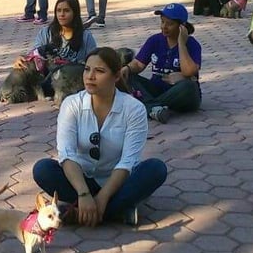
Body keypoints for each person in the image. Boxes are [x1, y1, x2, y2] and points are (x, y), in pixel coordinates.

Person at [32, 47, 167, 227]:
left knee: (156, 169)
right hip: (79, 181)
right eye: (87, 69)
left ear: (116, 76)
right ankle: (117, 212)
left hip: (116, 183)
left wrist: (102, 198)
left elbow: (128, 161)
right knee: (42, 169)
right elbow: (67, 154)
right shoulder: (72, 104)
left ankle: (80, 213)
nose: (90, 76)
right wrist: (84, 194)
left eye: (100, 71)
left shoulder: (134, 109)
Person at [122, 3, 202, 124]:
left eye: (169, 24)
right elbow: (138, 64)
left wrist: (181, 43)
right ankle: (155, 108)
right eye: (162, 22)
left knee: (189, 85)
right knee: (127, 76)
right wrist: (127, 68)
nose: (164, 27)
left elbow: (189, 72)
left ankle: (148, 106)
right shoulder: (155, 40)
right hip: (156, 90)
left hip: (181, 95)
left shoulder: (192, 44)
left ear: (181, 27)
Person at [12, 0, 98, 98]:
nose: (61, 14)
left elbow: (94, 62)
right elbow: (36, 56)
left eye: (66, 11)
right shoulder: (46, 32)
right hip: (48, 81)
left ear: (74, 13)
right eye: (58, 11)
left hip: (72, 81)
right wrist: (21, 58)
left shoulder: (85, 36)